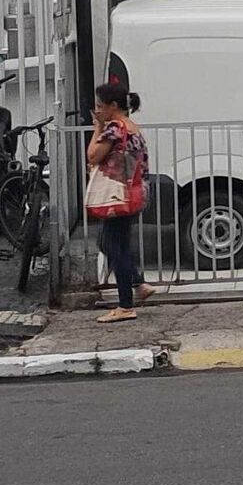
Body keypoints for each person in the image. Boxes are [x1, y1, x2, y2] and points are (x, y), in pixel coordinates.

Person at [88, 81, 152, 323]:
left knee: (114, 246)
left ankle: (126, 305)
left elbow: (93, 156)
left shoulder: (115, 128)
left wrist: (97, 128)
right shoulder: (132, 127)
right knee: (112, 243)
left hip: (118, 194)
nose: (97, 111)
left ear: (113, 105)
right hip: (135, 193)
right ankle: (138, 283)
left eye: (100, 106)